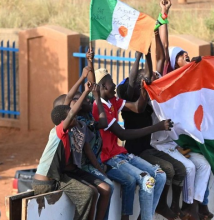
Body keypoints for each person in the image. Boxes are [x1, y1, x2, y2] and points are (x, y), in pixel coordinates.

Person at [93, 68, 172, 220]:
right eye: (111, 82)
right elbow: (123, 134)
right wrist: (157, 127)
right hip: (108, 158)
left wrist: (144, 92)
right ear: (103, 87)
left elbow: (137, 107)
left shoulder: (112, 101)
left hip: (119, 153)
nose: (115, 85)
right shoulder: (98, 108)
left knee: (160, 176)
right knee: (148, 180)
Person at [117, 48, 187, 220]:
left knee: (180, 169)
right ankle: (156, 209)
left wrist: (146, 54)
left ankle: (160, 206)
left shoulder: (148, 101)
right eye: (147, 82)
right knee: (166, 171)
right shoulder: (129, 103)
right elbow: (136, 88)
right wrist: (139, 57)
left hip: (148, 148)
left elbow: (159, 61)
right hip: (136, 152)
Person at [52, 81, 113, 220]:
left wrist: (100, 169)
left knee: (106, 189)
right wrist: (83, 79)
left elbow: (88, 149)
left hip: (77, 170)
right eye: (77, 99)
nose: (83, 100)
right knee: (91, 192)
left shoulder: (82, 124)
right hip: (65, 173)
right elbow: (68, 101)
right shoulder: (62, 128)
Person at [32, 94, 94, 220]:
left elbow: (68, 100)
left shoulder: (68, 134)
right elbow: (71, 113)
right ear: (64, 121)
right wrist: (86, 91)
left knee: (89, 192)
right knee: (86, 194)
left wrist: (82, 78)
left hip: (57, 179)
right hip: (44, 183)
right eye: (72, 115)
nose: (75, 116)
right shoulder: (59, 132)